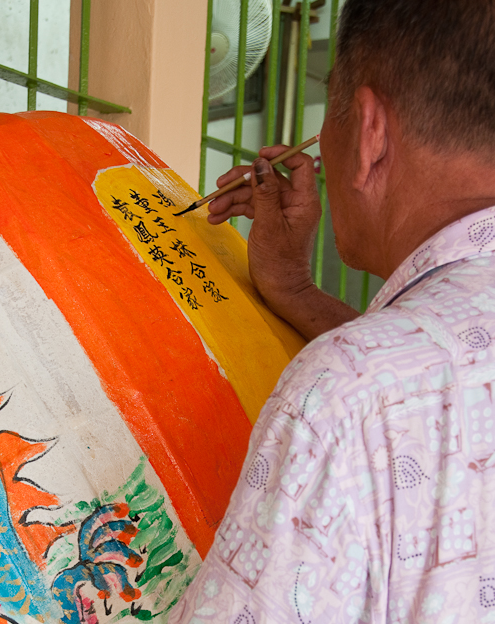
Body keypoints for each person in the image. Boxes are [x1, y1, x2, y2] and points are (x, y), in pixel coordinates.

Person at [169, 0, 495, 622]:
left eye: (328, 110)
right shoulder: (377, 386)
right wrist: (294, 289)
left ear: (370, 132)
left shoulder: (346, 395)